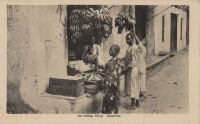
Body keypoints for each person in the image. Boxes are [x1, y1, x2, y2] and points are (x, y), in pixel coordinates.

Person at [101, 44, 122, 114]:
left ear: (116, 52)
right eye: (109, 49)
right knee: (108, 98)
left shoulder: (118, 62)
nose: (109, 51)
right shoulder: (109, 62)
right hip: (108, 83)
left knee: (111, 98)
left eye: (111, 50)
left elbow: (118, 74)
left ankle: (110, 113)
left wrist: (118, 85)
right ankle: (109, 112)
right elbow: (105, 71)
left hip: (112, 84)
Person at [124, 32, 140, 110]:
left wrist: (125, 69)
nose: (127, 40)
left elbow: (133, 61)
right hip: (131, 69)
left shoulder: (133, 47)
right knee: (134, 85)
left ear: (133, 39)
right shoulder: (130, 47)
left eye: (129, 38)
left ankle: (133, 104)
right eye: (126, 39)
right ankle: (137, 102)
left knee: (132, 86)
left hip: (132, 69)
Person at [135, 33, 147, 98]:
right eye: (142, 41)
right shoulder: (140, 49)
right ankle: (140, 91)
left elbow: (139, 43)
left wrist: (135, 34)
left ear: (144, 44)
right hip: (139, 65)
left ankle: (141, 92)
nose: (141, 42)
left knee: (141, 79)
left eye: (143, 42)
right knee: (139, 79)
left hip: (142, 66)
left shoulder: (144, 48)